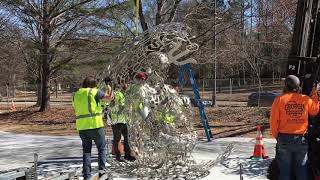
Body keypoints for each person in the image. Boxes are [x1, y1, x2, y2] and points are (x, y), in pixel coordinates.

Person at [270, 75, 319, 180]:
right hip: (300, 139)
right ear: (298, 86)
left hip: (284, 138)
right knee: (301, 169)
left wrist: (278, 137)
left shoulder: (279, 100)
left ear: (285, 86)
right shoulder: (305, 99)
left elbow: (274, 122)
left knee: (284, 170)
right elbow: (315, 111)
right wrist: (314, 94)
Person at [72, 76, 111, 180]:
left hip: (82, 127)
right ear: (93, 85)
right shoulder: (94, 92)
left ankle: (86, 176)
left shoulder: (76, 94)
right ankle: (102, 173)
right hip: (95, 125)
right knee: (102, 149)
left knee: (86, 151)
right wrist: (108, 85)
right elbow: (109, 97)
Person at [110, 83, 136, 162]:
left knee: (126, 138)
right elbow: (120, 105)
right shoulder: (118, 94)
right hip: (118, 121)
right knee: (118, 138)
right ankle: (119, 156)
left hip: (123, 120)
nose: (127, 86)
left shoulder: (121, 93)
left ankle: (126, 155)